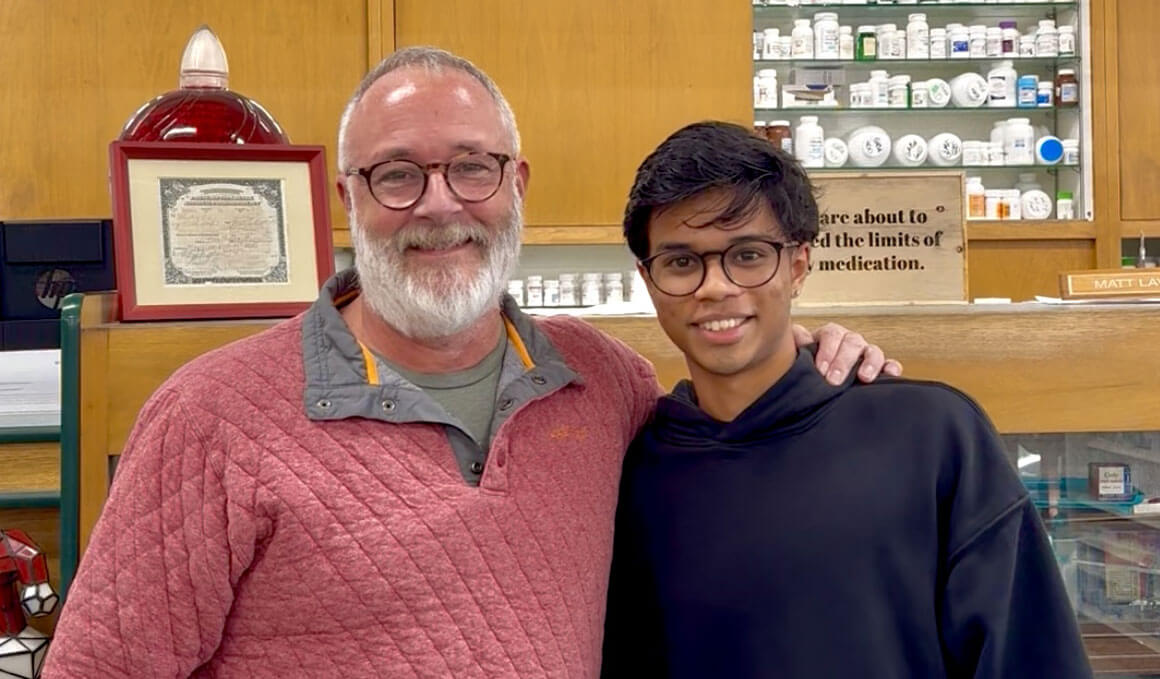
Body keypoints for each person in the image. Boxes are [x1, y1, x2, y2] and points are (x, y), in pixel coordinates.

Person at [43, 49, 897, 678]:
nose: (441, 204)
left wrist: (806, 350)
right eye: (397, 175)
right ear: (349, 198)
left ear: (515, 182)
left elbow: (727, 404)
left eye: (471, 168)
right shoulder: (211, 418)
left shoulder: (602, 383)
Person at [600, 121, 1092, 678]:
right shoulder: (628, 475)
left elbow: (1031, 658)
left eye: (748, 254)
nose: (715, 286)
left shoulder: (930, 437)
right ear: (647, 278)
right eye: (682, 262)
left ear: (799, 264)